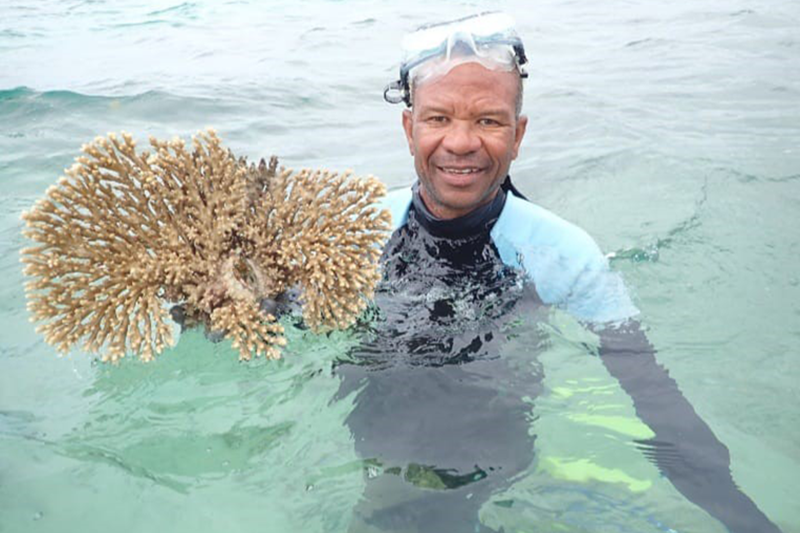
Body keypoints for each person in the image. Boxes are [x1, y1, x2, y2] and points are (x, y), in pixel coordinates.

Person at [335, 12, 782, 533]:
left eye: (488, 121)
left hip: (492, 466)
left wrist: (742, 518)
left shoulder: (565, 256)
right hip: (377, 469)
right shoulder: (349, 232)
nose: (460, 142)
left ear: (518, 135)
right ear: (408, 129)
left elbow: (655, 397)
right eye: (438, 119)